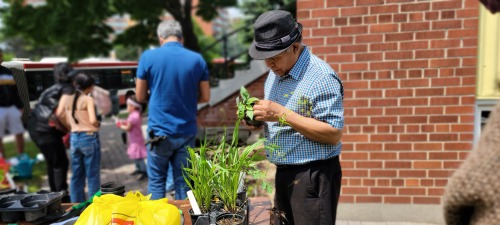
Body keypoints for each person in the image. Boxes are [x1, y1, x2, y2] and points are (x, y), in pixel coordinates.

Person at [247, 10, 344, 225]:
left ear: (295, 47)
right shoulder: (277, 73)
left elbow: (333, 134)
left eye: (274, 58)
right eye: (265, 59)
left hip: (312, 175)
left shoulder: (321, 77)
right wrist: (257, 118)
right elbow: (278, 118)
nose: (270, 65)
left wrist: (281, 113)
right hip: (283, 172)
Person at [135, 19, 210, 200]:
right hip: (186, 131)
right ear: (181, 38)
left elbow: (139, 96)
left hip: (159, 133)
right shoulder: (197, 60)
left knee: (156, 182)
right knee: (184, 182)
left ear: (161, 38)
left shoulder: (148, 57)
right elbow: (205, 97)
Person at [27, 62, 74, 201]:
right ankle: (61, 197)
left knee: (52, 161)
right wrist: (70, 128)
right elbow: (60, 113)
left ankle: (54, 194)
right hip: (46, 129)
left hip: (34, 126)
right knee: (60, 162)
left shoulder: (51, 89)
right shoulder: (67, 89)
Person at [57, 72, 101, 203]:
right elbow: (93, 120)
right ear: (89, 86)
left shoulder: (66, 98)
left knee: (76, 174)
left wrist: (70, 126)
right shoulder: (88, 99)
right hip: (89, 137)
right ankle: (94, 205)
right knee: (92, 175)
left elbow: (59, 114)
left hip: (74, 137)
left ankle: (77, 205)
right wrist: (97, 123)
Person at [116, 96, 148, 181]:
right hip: (137, 139)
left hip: (135, 141)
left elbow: (128, 128)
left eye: (128, 106)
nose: (127, 108)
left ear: (133, 106)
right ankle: (138, 169)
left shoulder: (132, 116)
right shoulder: (137, 114)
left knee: (138, 157)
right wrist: (124, 122)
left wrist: (119, 125)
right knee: (136, 156)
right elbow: (130, 124)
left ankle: (144, 171)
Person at [0, 48, 25, 158]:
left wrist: (20, 106)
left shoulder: (7, 71)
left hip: (12, 107)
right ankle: (2, 160)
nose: (0, 57)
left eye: (0, 55)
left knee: (19, 132)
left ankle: (21, 157)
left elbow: (15, 91)